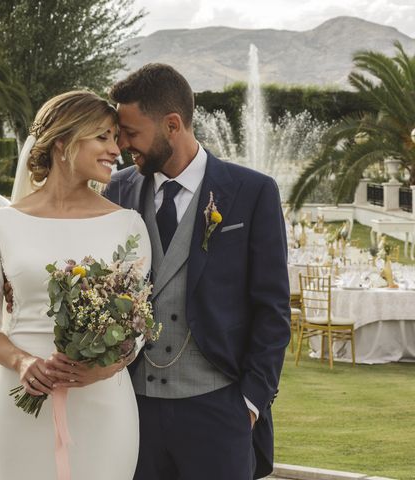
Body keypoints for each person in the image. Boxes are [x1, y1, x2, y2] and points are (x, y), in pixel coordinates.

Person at [104, 64, 290, 479]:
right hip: (132, 410)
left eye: (131, 133)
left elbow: (272, 309)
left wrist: (250, 403)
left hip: (219, 410)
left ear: (172, 124)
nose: (122, 146)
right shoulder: (117, 190)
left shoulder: (252, 192)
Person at [0, 90, 151, 480]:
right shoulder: (2, 224)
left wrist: (106, 367)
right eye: (102, 137)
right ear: (64, 142)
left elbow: (136, 330)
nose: (115, 150)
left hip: (102, 407)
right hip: (18, 404)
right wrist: (22, 362)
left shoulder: (128, 226)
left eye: (116, 138)